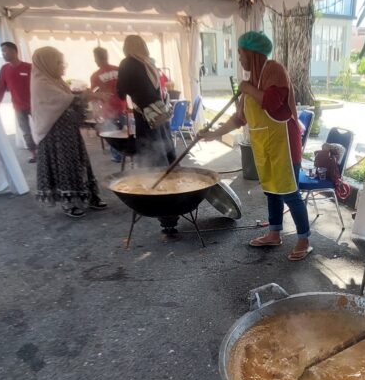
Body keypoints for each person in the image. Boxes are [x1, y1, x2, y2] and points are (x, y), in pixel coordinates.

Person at [200, 31, 312, 261]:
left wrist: (246, 88)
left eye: (241, 53)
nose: (240, 59)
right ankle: (274, 233)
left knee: (290, 193)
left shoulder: (274, 70)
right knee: (271, 191)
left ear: (252, 53)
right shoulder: (250, 81)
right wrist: (213, 134)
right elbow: (239, 118)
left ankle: (304, 240)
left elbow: (271, 102)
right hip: (264, 147)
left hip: (284, 145)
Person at [30, 46, 108, 219]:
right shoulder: (41, 82)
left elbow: (70, 98)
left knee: (79, 163)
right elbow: (65, 100)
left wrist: (87, 96)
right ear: (47, 63)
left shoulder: (56, 80)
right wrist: (90, 96)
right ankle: (69, 201)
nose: (62, 66)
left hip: (69, 132)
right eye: (58, 63)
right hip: (54, 136)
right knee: (63, 167)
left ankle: (89, 196)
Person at [115, 35, 180, 234]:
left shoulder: (127, 64)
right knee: (167, 158)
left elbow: (120, 92)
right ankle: (177, 204)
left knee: (154, 164)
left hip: (146, 120)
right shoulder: (149, 63)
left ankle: (164, 214)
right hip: (160, 117)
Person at [0, 41, 38, 163]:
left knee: (40, 128)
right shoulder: (4, 69)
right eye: (2, 51)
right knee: (26, 131)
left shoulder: (29, 67)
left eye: (5, 51)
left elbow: (39, 84)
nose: (3, 54)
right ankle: (34, 154)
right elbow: (0, 88)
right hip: (18, 107)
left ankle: (45, 151)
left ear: (14, 51)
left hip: (34, 105)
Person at [89, 46, 126, 163]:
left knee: (113, 134)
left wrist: (95, 111)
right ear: (106, 56)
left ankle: (117, 156)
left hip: (108, 110)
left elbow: (93, 95)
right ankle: (127, 153)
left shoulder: (96, 76)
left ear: (96, 58)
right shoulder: (118, 70)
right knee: (125, 132)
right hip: (123, 106)